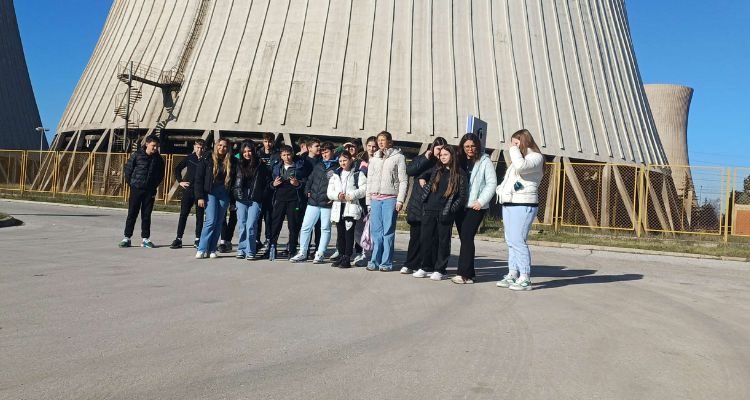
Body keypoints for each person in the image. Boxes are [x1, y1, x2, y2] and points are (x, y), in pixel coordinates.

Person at [495, 129, 544, 291]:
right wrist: (501, 191)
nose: (513, 146)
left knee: (518, 240)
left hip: (523, 203)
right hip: (510, 202)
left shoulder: (536, 157)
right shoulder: (520, 158)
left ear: (524, 141)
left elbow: (522, 168)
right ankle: (513, 273)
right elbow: (510, 179)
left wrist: (514, 150)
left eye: (516, 143)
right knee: (511, 241)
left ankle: (525, 277)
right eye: (512, 144)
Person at [412, 145, 467, 281]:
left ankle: (440, 269)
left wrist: (451, 209)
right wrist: (423, 187)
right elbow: (422, 174)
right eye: (441, 155)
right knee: (426, 239)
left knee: (443, 241)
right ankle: (425, 267)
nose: (442, 157)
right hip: (429, 209)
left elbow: (462, 196)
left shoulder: (459, 173)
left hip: (445, 211)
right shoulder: (437, 170)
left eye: (445, 155)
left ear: (452, 156)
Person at [452, 133, 497, 284]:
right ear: (462, 147)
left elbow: (492, 183)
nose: (470, 149)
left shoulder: (485, 161)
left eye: (472, 146)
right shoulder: (459, 160)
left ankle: (463, 274)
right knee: (465, 239)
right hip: (460, 205)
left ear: (477, 146)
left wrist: (481, 201)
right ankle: (470, 274)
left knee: (467, 236)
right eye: (466, 146)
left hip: (476, 206)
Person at [400, 137, 447, 274]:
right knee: (415, 237)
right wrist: (425, 158)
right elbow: (410, 171)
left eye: (442, 149)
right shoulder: (422, 159)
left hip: (432, 205)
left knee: (430, 238)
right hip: (417, 203)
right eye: (437, 149)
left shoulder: (444, 164)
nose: (439, 152)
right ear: (432, 148)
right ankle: (410, 264)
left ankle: (427, 265)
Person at [365, 131, 408, 272]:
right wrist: (368, 201)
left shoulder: (399, 157)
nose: (380, 142)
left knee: (388, 232)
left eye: (383, 140)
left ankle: (386, 263)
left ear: (390, 141)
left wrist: (400, 200)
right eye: (379, 140)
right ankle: (374, 261)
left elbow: (403, 180)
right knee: (376, 232)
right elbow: (370, 180)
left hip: (390, 198)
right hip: (375, 198)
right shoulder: (374, 158)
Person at [290, 141, 338, 263]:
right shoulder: (319, 165)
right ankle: (302, 252)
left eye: (327, 152)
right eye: (323, 152)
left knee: (325, 228)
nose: (324, 154)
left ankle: (320, 253)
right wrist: (307, 191)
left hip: (327, 203)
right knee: (306, 227)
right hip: (313, 201)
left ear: (332, 152)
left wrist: (333, 198)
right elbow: (310, 179)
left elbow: (339, 186)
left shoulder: (337, 167)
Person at [119, 135, 165, 248]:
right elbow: (128, 170)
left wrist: (153, 186)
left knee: (146, 215)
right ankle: (127, 238)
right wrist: (132, 184)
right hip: (136, 189)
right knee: (132, 213)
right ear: (147, 144)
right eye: (153, 146)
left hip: (150, 191)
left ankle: (145, 239)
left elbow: (160, 175)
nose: (155, 148)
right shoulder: (137, 155)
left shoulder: (158, 159)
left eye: (157, 146)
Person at [195, 138, 237, 259]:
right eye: (220, 145)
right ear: (216, 146)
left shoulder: (232, 161)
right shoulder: (207, 158)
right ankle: (202, 248)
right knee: (211, 221)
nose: (222, 148)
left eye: (225, 146)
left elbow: (234, 181)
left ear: (228, 148)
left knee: (219, 222)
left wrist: (233, 200)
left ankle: (212, 249)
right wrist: (200, 197)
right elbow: (199, 178)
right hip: (210, 192)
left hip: (224, 193)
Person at [327, 151, 367, 268]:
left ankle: (347, 257)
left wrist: (352, 195)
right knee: (340, 233)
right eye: (340, 161)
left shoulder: (357, 173)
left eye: (345, 160)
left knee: (349, 233)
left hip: (351, 207)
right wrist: (337, 195)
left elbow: (364, 189)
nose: (342, 163)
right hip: (339, 207)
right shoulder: (335, 174)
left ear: (350, 160)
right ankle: (341, 254)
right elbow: (329, 192)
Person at [233, 140, 271, 260]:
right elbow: (232, 181)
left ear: (253, 151)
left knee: (251, 225)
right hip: (241, 196)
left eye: (249, 151)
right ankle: (241, 249)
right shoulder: (237, 164)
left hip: (255, 197)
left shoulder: (261, 164)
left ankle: (250, 250)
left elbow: (267, 181)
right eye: (244, 152)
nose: (247, 154)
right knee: (242, 224)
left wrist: (263, 194)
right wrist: (233, 196)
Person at [269, 145, 306, 261]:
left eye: (288, 154)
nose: (286, 157)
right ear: (281, 156)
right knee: (276, 224)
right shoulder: (276, 167)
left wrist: (298, 184)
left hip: (294, 199)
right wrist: (273, 184)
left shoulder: (299, 166)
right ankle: (272, 247)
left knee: (293, 225)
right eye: (284, 155)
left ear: (292, 154)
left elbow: (305, 182)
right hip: (279, 198)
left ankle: (292, 249)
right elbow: (269, 182)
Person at [170, 140, 206, 249]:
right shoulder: (189, 158)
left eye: (202, 148)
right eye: (198, 147)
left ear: (204, 148)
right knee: (183, 214)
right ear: (194, 147)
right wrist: (180, 181)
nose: (199, 150)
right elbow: (177, 168)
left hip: (200, 192)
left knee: (200, 216)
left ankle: (198, 239)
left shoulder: (207, 159)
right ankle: (178, 238)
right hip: (188, 190)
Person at [351, 136, 378, 266]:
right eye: (369, 146)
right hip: (360, 198)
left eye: (374, 146)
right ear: (366, 146)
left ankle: (368, 255)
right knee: (357, 229)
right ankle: (364, 251)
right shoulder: (359, 161)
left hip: (373, 198)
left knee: (370, 229)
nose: (371, 149)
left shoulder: (379, 160)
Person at [256, 132, 280, 250]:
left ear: (273, 142)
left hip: (272, 187)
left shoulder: (278, 154)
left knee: (269, 216)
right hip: (259, 187)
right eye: (265, 141)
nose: (268, 144)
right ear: (263, 142)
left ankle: (268, 238)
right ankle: (256, 239)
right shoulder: (257, 153)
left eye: (270, 141)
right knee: (257, 215)